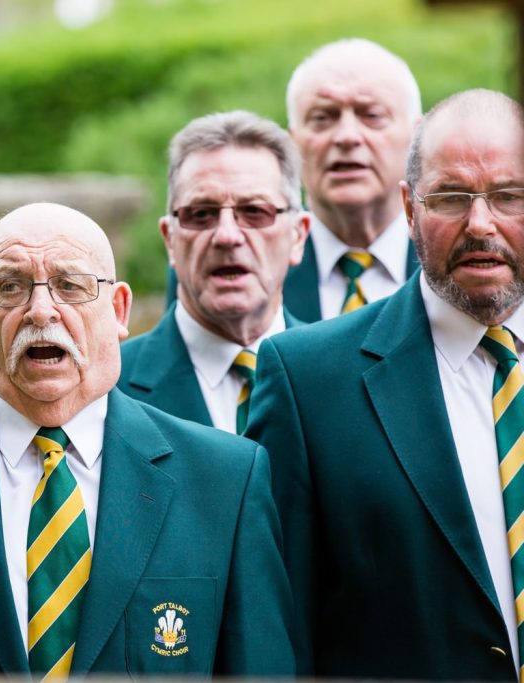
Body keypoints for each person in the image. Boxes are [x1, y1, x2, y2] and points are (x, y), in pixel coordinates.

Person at [0, 202, 294, 677]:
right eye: (9, 288)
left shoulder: (225, 481)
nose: (41, 310)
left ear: (119, 308)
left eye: (70, 286)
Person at [247, 89, 524, 679]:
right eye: (450, 197)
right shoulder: (308, 381)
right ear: (408, 207)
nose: (481, 224)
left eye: (509, 196)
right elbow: (279, 631)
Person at [120, 111, 308, 432]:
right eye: (201, 214)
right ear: (170, 239)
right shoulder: (109, 388)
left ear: (297, 235)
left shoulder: (341, 376)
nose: (227, 236)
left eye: (254, 211)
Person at [282, 38, 421, 322]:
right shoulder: (250, 265)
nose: (346, 136)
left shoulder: (456, 259)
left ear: (416, 139)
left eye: (371, 115)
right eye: (322, 118)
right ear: (292, 145)